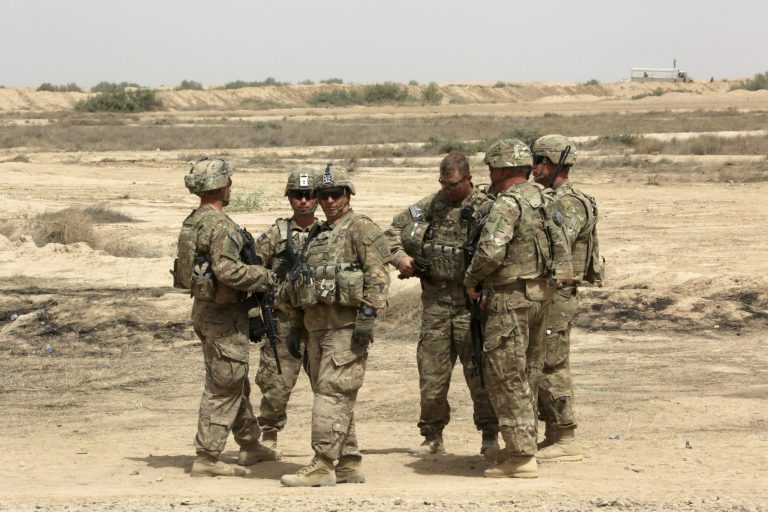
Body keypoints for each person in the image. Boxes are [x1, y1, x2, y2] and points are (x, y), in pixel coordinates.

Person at [463, 139, 572, 478]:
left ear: (502, 169)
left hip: (510, 298)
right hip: (543, 296)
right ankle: (522, 447)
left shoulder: (507, 205)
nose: (490, 175)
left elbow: (491, 251)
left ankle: (522, 457)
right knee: (529, 371)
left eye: (492, 168)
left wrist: (472, 280)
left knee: (505, 374)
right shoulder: (546, 200)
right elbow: (563, 249)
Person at [280, 164, 391, 487]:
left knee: (331, 394)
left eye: (335, 194)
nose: (328, 201)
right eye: (322, 195)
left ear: (348, 194)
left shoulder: (361, 229)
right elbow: (301, 283)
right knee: (333, 394)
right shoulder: (318, 234)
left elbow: (378, 278)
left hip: (346, 327)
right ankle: (348, 461)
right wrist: (296, 327)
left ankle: (323, 463)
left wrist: (368, 319)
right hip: (317, 327)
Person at [385, 151, 499, 456]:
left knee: (480, 375)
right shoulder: (431, 205)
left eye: (453, 185)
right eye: (443, 184)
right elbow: (390, 233)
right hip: (435, 305)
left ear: (469, 179)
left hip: (471, 308)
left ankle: (490, 434)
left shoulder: (487, 208)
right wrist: (401, 259)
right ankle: (432, 436)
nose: (448, 191)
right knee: (431, 375)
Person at [172, 157, 278, 477]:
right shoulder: (222, 226)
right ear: (220, 186)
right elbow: (227, 271)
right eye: (228, 181)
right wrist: (265, 277)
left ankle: (249, 443)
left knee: (233, 378)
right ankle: (207, 455)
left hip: (204, 310)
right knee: (225, 384)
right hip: (224, 314)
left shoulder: (193, 222)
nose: (231, 186)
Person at [531, 135, 603, 462]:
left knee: (552, 362)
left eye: (538, 161)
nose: (533, 168)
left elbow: (558, 242)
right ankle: (553, 432)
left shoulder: (569, 202)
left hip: (558, 293)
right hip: (547, 292)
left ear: (552, 163)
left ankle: (566, 435)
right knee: (542, 359)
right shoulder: (550, 198)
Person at [253, 168, 319, 455]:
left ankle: (331, 440)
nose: (303, 201)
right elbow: (254, 272)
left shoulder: (329, 233)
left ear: (317, 198)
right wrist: (254, 314)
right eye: (297, 195)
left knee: (328, 386)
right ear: (289, 198)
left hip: (320, 321)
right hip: (284, 321)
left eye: (308, 195)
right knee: (276, 385)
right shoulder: (275, 235)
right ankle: (269, 433)